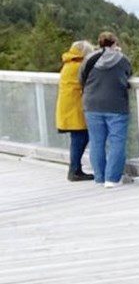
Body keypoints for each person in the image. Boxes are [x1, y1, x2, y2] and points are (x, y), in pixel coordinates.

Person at [80, 31, 132, 188]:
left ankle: (100, 177)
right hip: (116, 104)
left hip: (92, 104)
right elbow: (128, 73)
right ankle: (113, 178)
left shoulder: (90, 59)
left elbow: (81, 78)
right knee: (117, 142)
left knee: (96, 142)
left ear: (99, 43)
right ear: (114, 43)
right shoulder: (122, 59)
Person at [56, 39, 96, 181]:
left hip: (68, 106)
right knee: (80, 138)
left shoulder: (68, 64)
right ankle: (75, 170)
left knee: (77, 138)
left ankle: (75, 169)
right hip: (76, 107)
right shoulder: (79, 66)